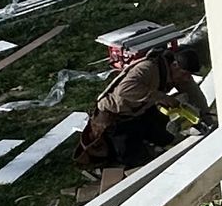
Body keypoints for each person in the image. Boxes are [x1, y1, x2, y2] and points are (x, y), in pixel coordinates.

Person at [77, 42, 205, 173]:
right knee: (135, 160)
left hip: (140, 111)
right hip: (116, 117)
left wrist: (204, 115)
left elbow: (194, 94)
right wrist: (161, 97)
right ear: (175, 65)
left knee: (166, 138)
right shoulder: (148, 68)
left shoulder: (178, 74)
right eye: (185, 74)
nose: (186, 78)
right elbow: (124, 90)